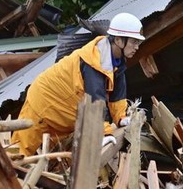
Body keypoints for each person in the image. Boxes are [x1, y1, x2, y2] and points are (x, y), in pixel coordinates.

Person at [12, 12, 145, 156]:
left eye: (138, 42)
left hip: (65, 111)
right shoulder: (94, 61)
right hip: (43, 102)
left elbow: (117, 94)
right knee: (19, 153)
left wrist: (121, 118)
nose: (137, 47)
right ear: (119, 40)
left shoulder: (116, 62)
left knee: (57, 158)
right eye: (134, 42)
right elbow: (95, 102)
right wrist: (103, 133)